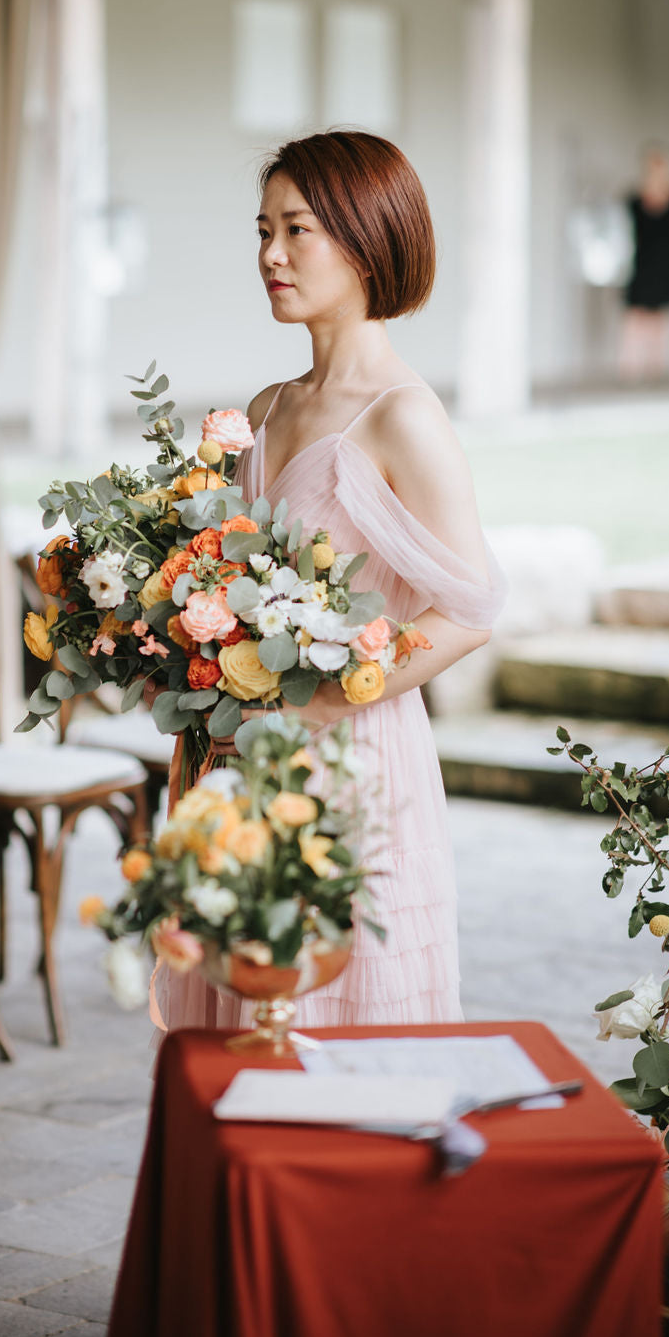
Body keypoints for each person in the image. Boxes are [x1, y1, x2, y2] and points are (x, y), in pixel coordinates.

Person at [156, 130, 506, 1033]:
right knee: (242, 1024)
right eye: (262, 230)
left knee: (348, 1031)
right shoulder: (266, 408)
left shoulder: (404, 417)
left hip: (356, 760)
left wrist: (320, 701)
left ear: (365, 239)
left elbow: (470, 611)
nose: (270, 255)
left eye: (296, 229)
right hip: (242, 761)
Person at [619, 145, 669, 383]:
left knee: (660, 318)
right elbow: (622, 233)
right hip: (639, 264)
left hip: (665, 265)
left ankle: (656, 369)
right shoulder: (634, 200)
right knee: (635, 316)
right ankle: (630, 369)